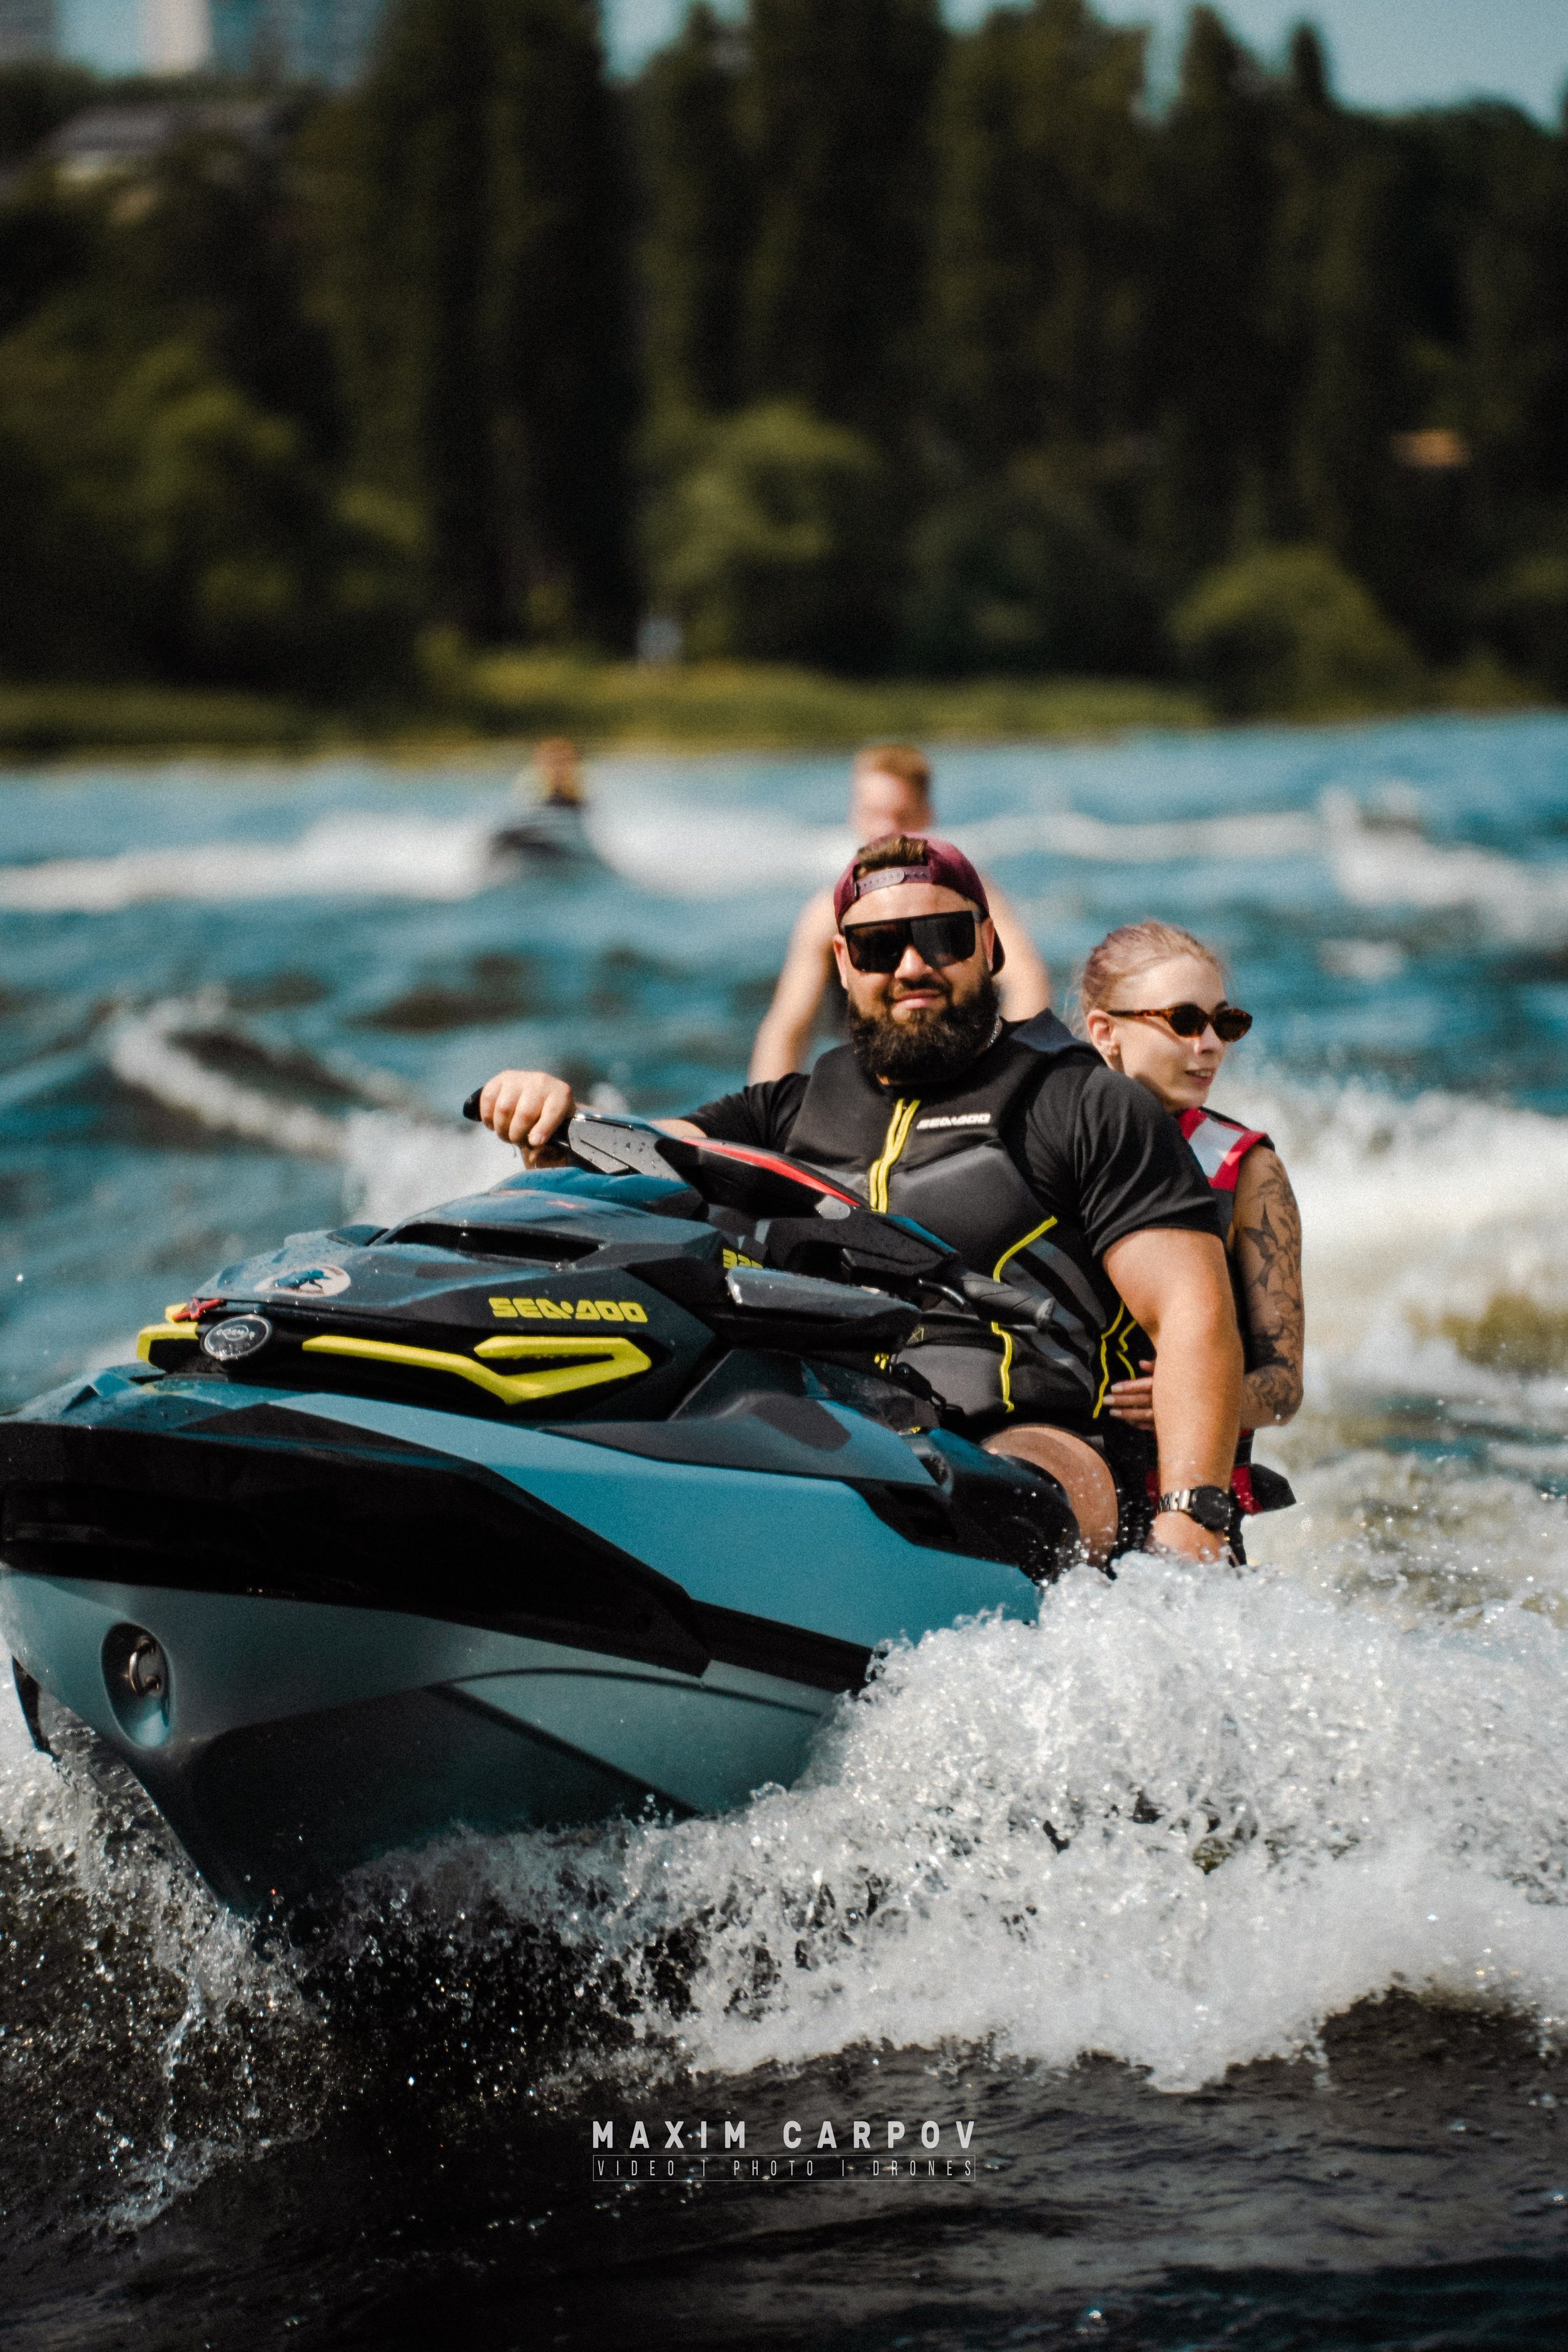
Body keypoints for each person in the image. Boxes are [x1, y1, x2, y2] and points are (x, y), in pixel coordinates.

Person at [475, 835, 1244, 1563]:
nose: (913, 965)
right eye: (880, 948)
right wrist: (550, 1118)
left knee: (1003, 1483)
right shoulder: (789, 1111)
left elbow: (1191, 1311)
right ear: (843, 964)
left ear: (988, 947)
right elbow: (637, 1150)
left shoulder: (1085, 1104)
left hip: (1036, 1448)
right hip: (831, 1433)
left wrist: (1192, 1515)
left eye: (941, 938)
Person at [1077, 919, 1304, 1545]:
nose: (1209, 1045)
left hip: (1188, 1513)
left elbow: (1282, 1388)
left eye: (1223, 1024)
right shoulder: (1044, 1147)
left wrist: (1192, 1398)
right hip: (1059, 1482)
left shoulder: (1249, 1170)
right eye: (1183, 1021)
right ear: (1105, 1033)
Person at [747, 744, 1051, 1080]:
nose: (887, 830)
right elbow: (789, 1024)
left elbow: (1028, 982)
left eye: (902, 816)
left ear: (927, 814)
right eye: (875, 814)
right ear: (855, 814)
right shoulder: (824, 915)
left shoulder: (969, 897)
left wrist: (1006, 1077)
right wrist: (766, 1110)